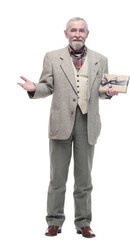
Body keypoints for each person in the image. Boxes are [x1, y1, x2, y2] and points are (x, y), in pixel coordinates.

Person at [17, 17, 118, 238]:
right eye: (73, 30)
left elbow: (102, 91)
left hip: (87, 123)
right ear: (66, 33)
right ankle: (54, 221)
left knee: (84, 179)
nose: (77, 34)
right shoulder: (53, 57)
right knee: (57, 177)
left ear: (87, 34)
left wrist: (108, 93)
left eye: (81, 30)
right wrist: (34, 88)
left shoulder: (101, 59)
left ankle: (83, 222)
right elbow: (47, 86)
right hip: (61, 123)